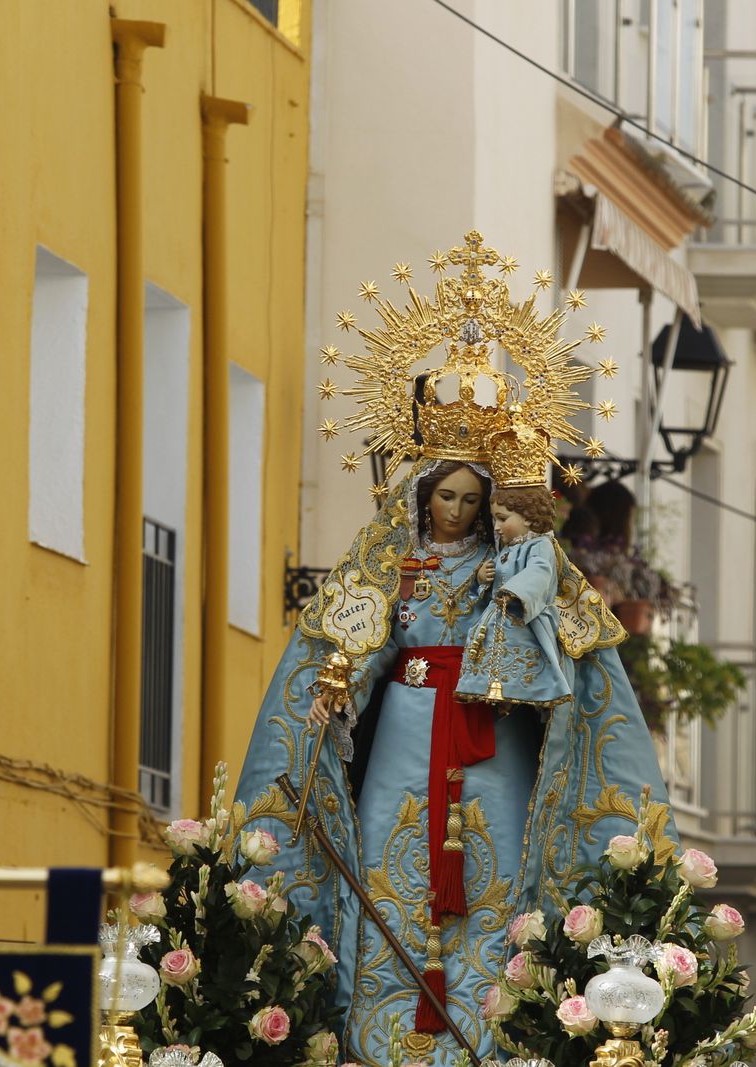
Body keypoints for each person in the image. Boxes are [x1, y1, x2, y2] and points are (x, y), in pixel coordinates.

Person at [232, 231, 673, 1067]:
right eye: (446, 495)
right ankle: (384, 1039)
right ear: (421, 491)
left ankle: (489, 1037)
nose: (458, 511)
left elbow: (573, 656)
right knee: (387, 858)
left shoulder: (520, 564)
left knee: (496, 877)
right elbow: (354, 637)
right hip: (406, 725)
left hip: (489, 735)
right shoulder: (388, 561)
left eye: (473, 498)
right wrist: (337, 690)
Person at [455, 485, 572, 709]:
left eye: (502, 518)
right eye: (494, 519)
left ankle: (527, 687)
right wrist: (481, 578)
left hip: (525, 619)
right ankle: (488, 685)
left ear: (528, 517)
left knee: (519, 654)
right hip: (499, 614)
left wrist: (515, 591)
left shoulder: (540, 546)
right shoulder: (507, 550)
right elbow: (495, 580)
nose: (496, 527)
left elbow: (540, 572)